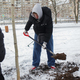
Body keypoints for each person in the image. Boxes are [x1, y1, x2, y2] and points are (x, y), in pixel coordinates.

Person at [24, 3, 55, 70]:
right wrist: (26, 29)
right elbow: (29, 22)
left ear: (40, 13)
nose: (35, 16)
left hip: (47, 33)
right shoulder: (33, 16)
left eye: (36, 15)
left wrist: (45, 42)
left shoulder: (47, 16)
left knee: (49, 48)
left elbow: (49, 31)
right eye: (34, 15)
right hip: (38, 33)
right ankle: (35, 64)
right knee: (36, 48)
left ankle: (51, 63)